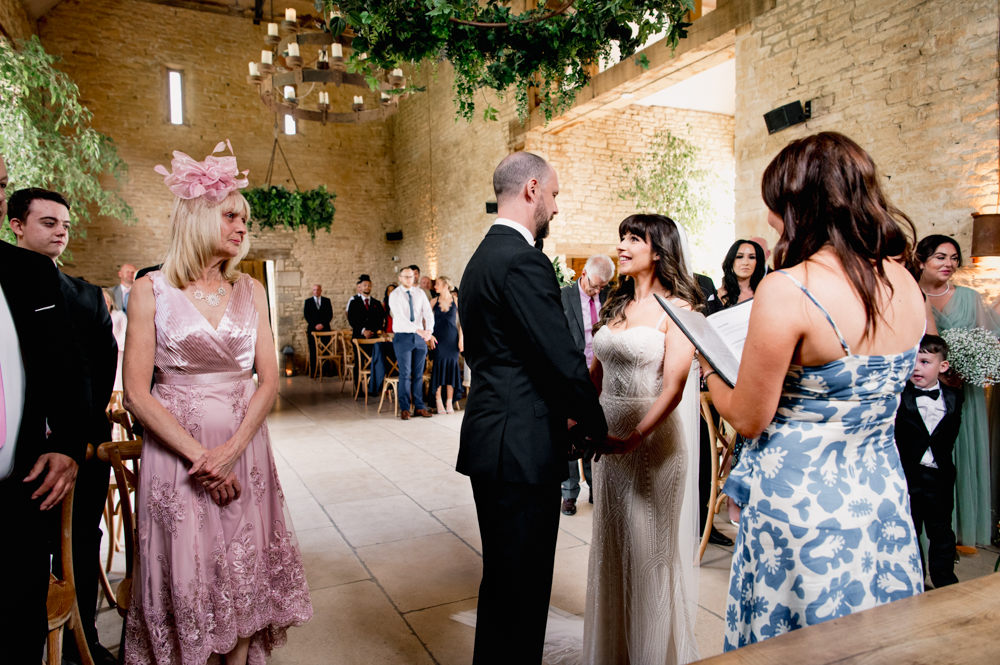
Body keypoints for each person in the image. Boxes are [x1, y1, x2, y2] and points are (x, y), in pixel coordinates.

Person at [707, 132, 925, 649]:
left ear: (799, 205)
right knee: (874, 644)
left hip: (802, 511)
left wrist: (710, 369)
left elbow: (748, 418)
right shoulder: (904, 281)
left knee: (796, 646)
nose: (768, 221)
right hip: (882, 502)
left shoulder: (788, 287)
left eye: (775, 206)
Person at [123, 141, 312, 663]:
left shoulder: (251, 290)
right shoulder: (150, 291)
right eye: (231, 214)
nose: (241, 226)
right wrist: (201, 459)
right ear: (199, 216)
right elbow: (138, 392)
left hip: (244, 448)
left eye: (244, 219)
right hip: (176, 457)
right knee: (193, 565)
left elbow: (268, 379)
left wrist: (230, 452)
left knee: (243, 561)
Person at [457, 151, 609, 664]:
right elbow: (559, 356)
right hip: (520, 445)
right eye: (556, 194)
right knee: (523, 590)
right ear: (532, 189)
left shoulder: (480, 257)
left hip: (492, 436)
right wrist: (594, 424)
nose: (557, 207)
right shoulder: (524, 259)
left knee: (503, 582)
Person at [581, 214, 702, 664]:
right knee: (613, 546)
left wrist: (634, 437)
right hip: (607, 445)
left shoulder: (681, 310)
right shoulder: (618, 305)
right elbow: (597, 372)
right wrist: (579, 421)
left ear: (659, 250)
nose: (622, 247)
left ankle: (653, 653)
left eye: (634, 239)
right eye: (622, 238)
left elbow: (673, 388)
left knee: (648, 552)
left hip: (652, 446)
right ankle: (614, 651)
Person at [9, 187, 119, 663]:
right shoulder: (5, 287)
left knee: (82, 541)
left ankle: (85, 639)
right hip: (19, 450)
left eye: (65, 225)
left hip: (85, 445)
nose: (60, 232)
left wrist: (82, 441)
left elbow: (99, 369)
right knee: (20, 558)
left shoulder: (87, 295)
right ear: (16, 225)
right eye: (48, 223)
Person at [0, 155, 90, 664]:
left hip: (20, 485)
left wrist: (67, 444)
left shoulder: (29, 273)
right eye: (48, 222)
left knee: (17, 625)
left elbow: (67, 366)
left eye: (2, 184)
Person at [912, 234, 1000, 547]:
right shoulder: (908, 295)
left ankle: (961, 530)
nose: (948, 264)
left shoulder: (970, 297)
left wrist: (968, 367)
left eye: (953, 258)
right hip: (921, 391)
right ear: (921, 261)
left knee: (963, 454)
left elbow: (987, 340)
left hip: (964, 390)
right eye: (940, 257)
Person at [894, 334, 963, 589]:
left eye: (924, 362)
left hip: (939, 476)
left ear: (942, 366)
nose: (916, 368)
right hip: (908, 475)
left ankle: (945, 581)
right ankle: (916, 581)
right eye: (912, 361)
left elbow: (950, 435)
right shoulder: (900, 396)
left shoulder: (955, 398)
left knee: (942, 532)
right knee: (911, 531)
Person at [558, 254, 614, 516]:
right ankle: (569, 493)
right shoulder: (563, 295)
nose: (597, 291)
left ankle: (595, 486)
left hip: (601, 373)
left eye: (602, 287)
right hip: (572, 375)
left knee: (594, 430)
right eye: (594, 286)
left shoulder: (610, 297)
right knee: (570, 433)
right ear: (583, 275)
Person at [388, 266, 435, 419]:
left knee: (418, 374)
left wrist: (429, 330)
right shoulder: (394, 295)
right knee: (405, 373)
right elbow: (400, 318)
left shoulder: (420, 293)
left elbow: (428, 312)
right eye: (406, 277)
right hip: (403, 337)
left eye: (412, 277)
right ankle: (405, 408)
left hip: (420, 338)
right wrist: (419, 330)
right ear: (400, 278)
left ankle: (420, 407)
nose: (410, 279)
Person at [347, 275, 388, 394]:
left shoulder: (376, 303)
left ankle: (373, 387)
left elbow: (380, 319)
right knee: (360, 363)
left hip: (373, 337)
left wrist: (372, 331)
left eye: (369, 285)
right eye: (365, 285)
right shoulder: (354, 302)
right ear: (360, 287)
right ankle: (358, 388)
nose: (367, 287)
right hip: (358, 337)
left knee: (375, 362)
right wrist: (363, 330)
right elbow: (352, 319)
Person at [430, 276, 464, 414]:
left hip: (452, 338)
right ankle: (438, 400)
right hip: (437, 338)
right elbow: (424, 318)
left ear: (445, 285)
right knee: (438, 367)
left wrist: (461, 339)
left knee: (451, 368)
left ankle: (449, 401)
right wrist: (429, 335)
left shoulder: (456, 300)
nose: (435, 286)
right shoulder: (433, 301)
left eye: (437, 284)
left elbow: (462, 322)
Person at [718, 239, 767, 307]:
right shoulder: (719, 295)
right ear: (731, 261)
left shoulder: (766, 293)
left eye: (751, 257)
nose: (745, 263)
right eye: (739, 257)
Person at [304, 283, 334, 376]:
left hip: (325, 328)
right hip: (313, 328)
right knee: (313, 349)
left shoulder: (326, 301)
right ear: (312, 291)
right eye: (314, 290)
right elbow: (307, 315)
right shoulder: (308, 302)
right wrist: (315, 325)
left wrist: (322, 324)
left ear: (321, 290)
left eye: (318, 290)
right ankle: (313, 371)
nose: (316, 291)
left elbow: (330, 314)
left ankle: (326, 370)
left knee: (326, 348)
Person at [103, 288, 128, 391]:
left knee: (116, 378)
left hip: (117, 353)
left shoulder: (119, 316)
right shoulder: (95, 316)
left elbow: (125, 333)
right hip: (101, 353)